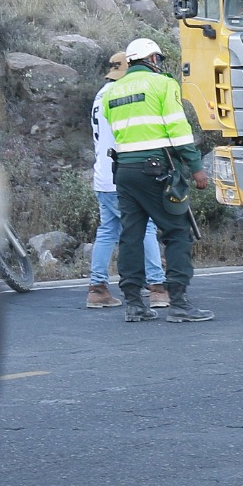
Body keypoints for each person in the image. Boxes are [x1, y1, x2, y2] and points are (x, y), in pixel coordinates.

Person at [100, 38, 212, 323]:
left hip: (124, 171)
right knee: (177, 232)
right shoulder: (163, 84)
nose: (159, 64)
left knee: (131, 236)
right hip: (156, 169)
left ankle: (134, 304)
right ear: (151, 59)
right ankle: (179, 303)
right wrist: (196, 167)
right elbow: (178, 129)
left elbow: (116, 129)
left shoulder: (112, 91)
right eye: (158, 59)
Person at [88, 52, 167, 309]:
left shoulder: (100, 95)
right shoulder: (120, 95)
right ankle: (157, 286)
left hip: (102, 175)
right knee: (146, 227)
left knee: (107, 230)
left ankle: (97, 288)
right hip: (121, 174)